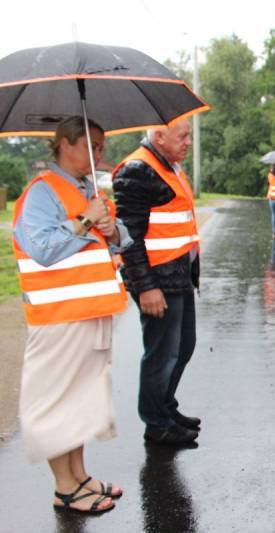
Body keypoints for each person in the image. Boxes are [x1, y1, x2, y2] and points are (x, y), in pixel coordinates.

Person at [13, 116, 130, 513]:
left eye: (102, 146)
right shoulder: (42, 192)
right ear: (65, 143)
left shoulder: (85, 189)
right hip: (59, 317)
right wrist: (85, 220)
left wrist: (113, 232)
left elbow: (111, 243)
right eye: (93, 145)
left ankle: (79, 475)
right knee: (57, 400)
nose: (101, 153)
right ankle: (65, 487)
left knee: (80, 399)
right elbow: (42, 249)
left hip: (89, 312)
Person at [112, 120, 201, 445]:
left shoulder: (169, 165)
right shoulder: (137, 170)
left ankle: (165, 406)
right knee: (162, 354)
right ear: (158, 136)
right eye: (183, 135)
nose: (188, 142)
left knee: (183, 347)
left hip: (177, 275)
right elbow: (128, 238)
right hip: (157, 280)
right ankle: (156, 424)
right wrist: (145, 286)